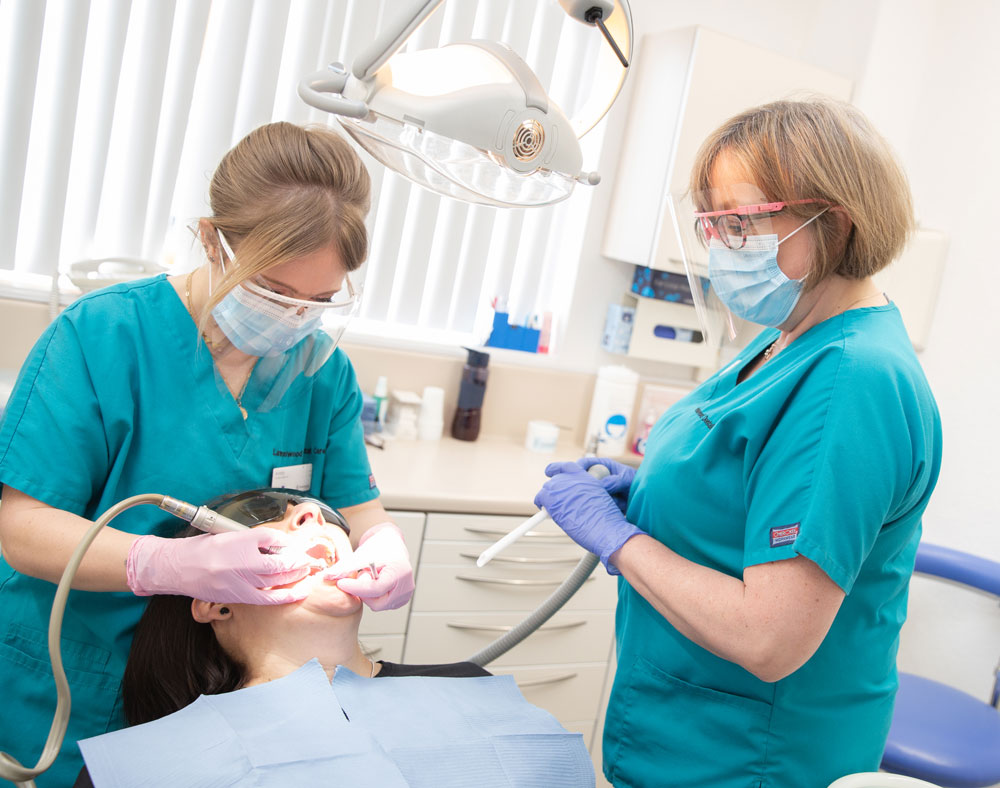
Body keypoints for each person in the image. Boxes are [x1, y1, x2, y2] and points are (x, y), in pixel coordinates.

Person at [535, 98, 942, 788]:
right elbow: (745, 482)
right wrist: (651, 496)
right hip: (684, 730)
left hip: (753, 757)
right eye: (711, 221)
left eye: (742, 221)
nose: (721, 243)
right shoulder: (783, 339)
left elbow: (769, 636)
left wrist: (618, 538)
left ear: (834, 221)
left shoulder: (852, 379)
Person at [0, 122, 414, 787]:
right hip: (67, 685)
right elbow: (20, 529)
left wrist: (383, 542)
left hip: (218, 702)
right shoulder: (103, 337)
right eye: (276, 291)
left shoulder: (320, 373)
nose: (295, 318)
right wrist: (165, 561)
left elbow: (357, 508)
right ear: (211, 239)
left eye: (318, 302)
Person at [72, 490, 492, 788]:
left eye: (325, 514)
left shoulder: (469, 686)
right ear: (214, 603)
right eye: (259, 513)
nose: (312, 512)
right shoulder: (138, 769)